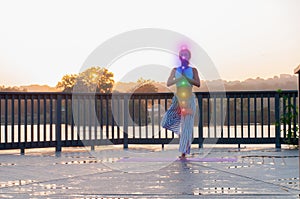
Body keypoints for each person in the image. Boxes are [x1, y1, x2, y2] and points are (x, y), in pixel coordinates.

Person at [162, 48, 200, 159]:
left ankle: (183, 153)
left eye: (186, 54)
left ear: (189, 57)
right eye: (182, 54)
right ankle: (180, 134)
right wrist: (178, 79)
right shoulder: (175, 70)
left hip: (189, 99)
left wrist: (187, 78)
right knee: (165, 121)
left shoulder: (193, 70)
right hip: (177, 99)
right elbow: (168, 83)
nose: (184, 56)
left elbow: (198, 84)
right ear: (179, 57)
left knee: (187, 126)